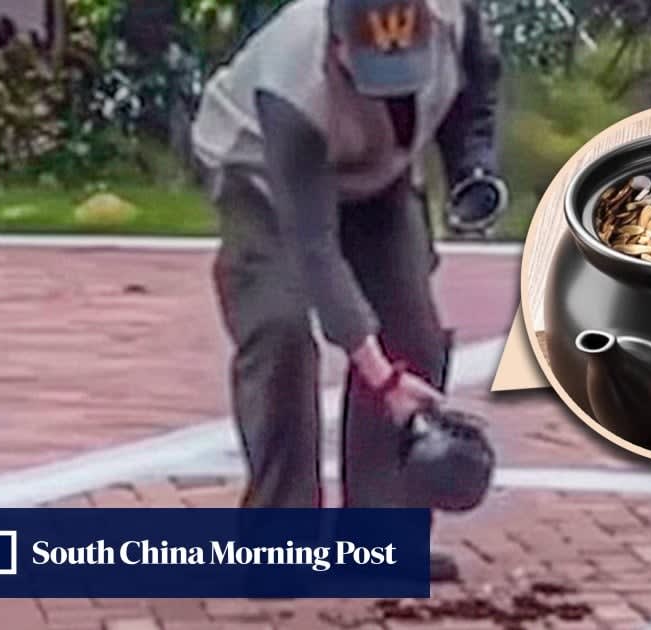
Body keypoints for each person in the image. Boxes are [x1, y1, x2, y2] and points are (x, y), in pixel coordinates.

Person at [189, 0, 504, 581]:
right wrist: (381, 376)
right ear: (336, 47)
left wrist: (472, 166)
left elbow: (476, 93)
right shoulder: (292, 82)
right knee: (280, 328)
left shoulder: (454, 19)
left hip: (380, 174)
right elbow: (315, 250)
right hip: (262, 175)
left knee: (413, 334)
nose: (391, 93)